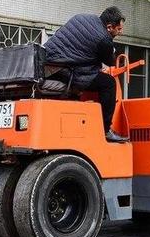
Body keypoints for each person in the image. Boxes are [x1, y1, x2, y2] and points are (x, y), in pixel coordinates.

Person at [43, 7, 129, 143]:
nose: (121, 32)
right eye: (118, 29)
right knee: (108, 83)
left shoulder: (81, 17)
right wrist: (112, 48)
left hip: (47, 63)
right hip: (66, 70)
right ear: (109, 27)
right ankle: (106, 130)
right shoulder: (104, 39)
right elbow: (110, 61)